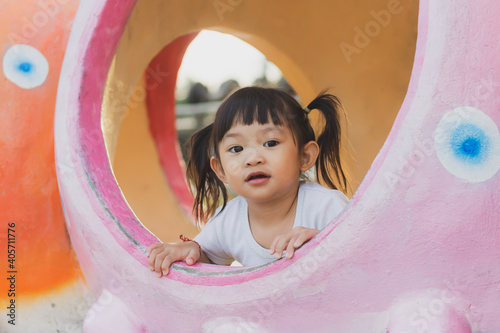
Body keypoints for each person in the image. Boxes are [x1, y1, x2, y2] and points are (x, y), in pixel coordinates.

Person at [146, 86, 349, 276]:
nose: (253, 159)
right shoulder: (228, 219)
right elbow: (209, 262)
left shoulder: (326, 207)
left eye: (270, 143)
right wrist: (191, 251)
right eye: (236, 149)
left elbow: (364, 255)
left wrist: (321, 241)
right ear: (220, 170)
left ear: (304, 156)